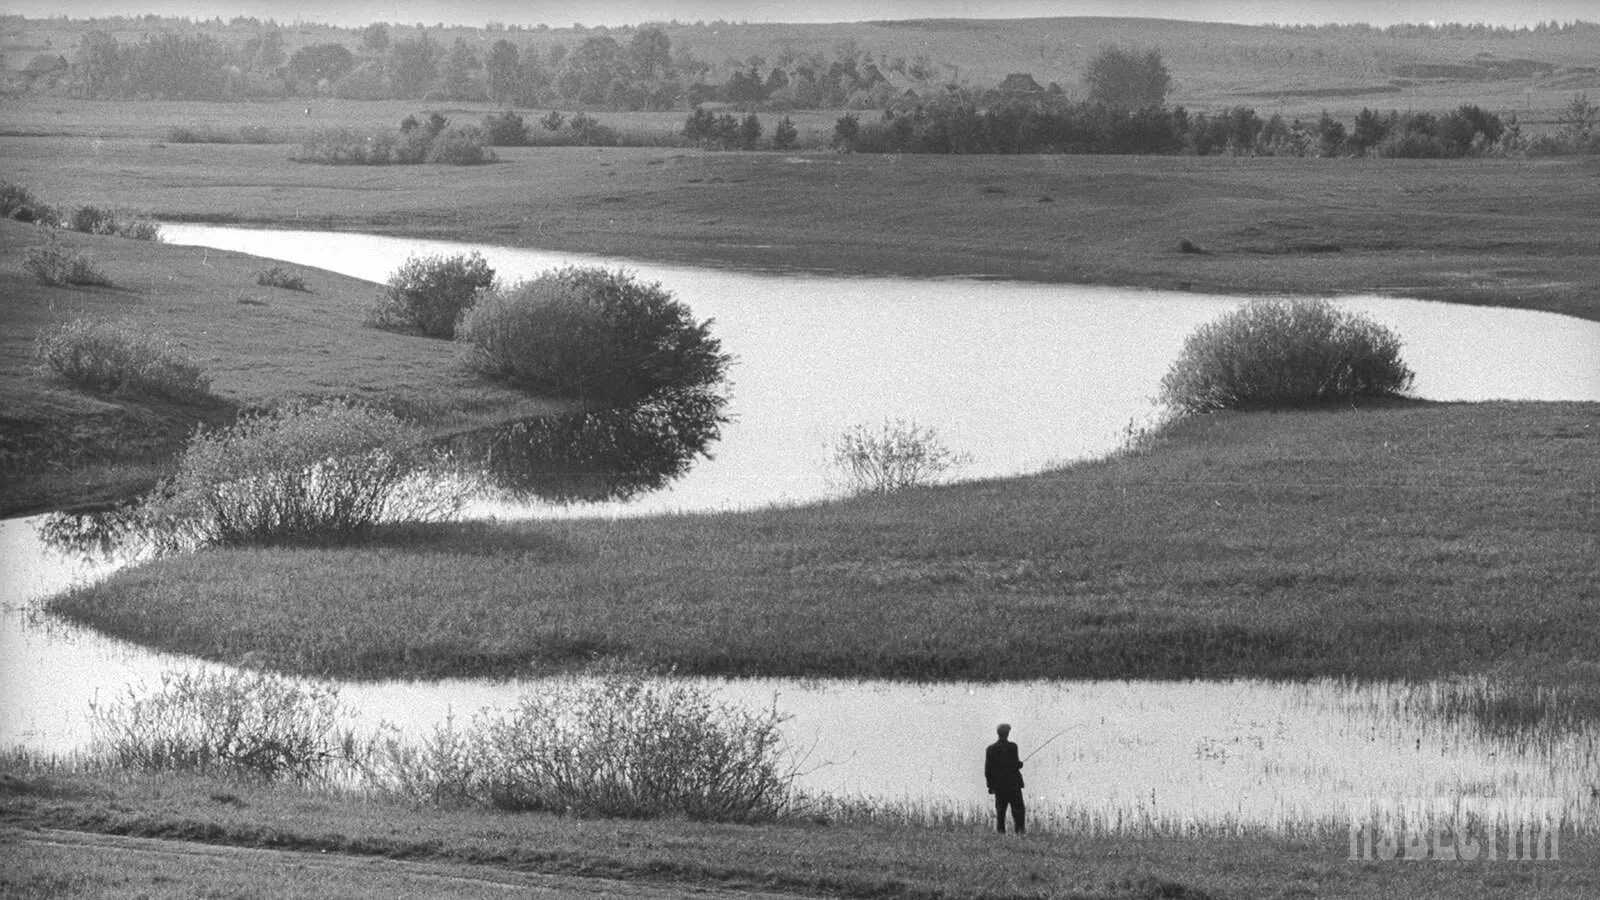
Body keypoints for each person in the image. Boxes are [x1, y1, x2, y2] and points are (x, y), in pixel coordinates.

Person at [984, 722, 1025, 835]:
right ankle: (1020, 833)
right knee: (1018, 811)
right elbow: (1014, 764)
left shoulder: (990, 749)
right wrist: (1020, 765)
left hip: (999, 786)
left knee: (1001, 811)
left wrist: (990, 785)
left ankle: (1000, 834)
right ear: (1007, 734)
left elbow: (988, 770)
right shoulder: (1012, 747)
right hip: (1013, 784)